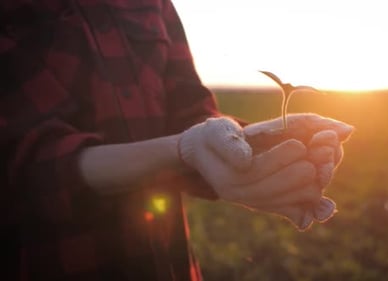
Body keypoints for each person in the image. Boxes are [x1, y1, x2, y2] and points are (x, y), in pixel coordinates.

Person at [0, 1, 354, 280]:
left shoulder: (152, 3)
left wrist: (255, 148)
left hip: (165, 264)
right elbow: (19, 167)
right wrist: (185, 149)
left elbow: (190, 112)